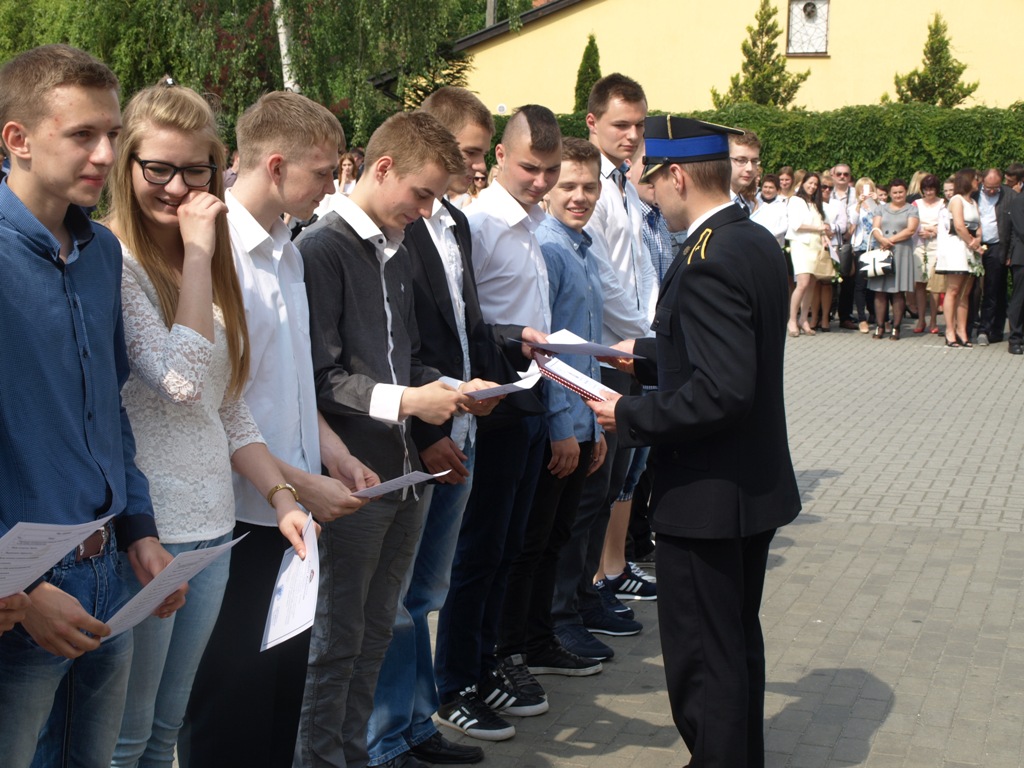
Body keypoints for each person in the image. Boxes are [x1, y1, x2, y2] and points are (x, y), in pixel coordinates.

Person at [106, 81, 313, 767]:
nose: (176, 188)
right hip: (150, 530)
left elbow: (224, 402)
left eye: (194, 170)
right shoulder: (118, 261)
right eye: (158, 169)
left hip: (212, 526)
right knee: (127, 737)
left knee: (167, 727)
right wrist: (197, 254)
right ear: (127, 164)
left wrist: (282, 497)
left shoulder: (203, 255)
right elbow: (180, 380)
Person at [588, 115, 800, 768]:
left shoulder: (709, 259)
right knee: (732, 646)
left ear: (677, 175)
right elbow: (724, 352)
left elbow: (723, 389)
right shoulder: (750, 239)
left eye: (652, 180)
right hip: (747, 487)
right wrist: (642, 354)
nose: (649, 193)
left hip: (708, 494)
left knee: (703, 661)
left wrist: (628, 414)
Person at [0, 44, 186, 768]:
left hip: (111, 571)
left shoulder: (102, 252)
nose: (107, 155)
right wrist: (21, 587)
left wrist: (139, 528)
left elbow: (107, 409)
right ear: (17, 138)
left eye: (112, 133)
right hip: (22, 595)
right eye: (83, 134)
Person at [295, 111, 496, 768]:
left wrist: (455, 387)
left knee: (377, 634)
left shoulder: (398, 245)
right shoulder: (321, 250)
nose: (427, 209)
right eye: (423, 193)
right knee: (336, 642)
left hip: (403, 475)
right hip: (350, 476)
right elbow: (319, 379)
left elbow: (402, 359)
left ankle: (356, 753)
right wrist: (412, 400)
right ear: (383, 169)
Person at [183, 90, 376, 768]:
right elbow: (213, 405)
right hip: (237, 515)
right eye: (322, 172)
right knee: (226, 709)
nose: (332, 184)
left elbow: (290, 384)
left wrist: (336, 456)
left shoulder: (288, 250)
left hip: (290, 515)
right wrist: (296, 486)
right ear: (274, 166)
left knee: (279, 700)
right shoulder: (215, 254)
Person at [366, 86, 536, 768]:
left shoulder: (456, 223)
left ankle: (417, 723)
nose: (474, 167)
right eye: (466, 152)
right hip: (420, 433)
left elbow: (464, 325)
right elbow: (396, 345)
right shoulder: (393, 227)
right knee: (397, 599)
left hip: (460, 425)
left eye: (477, 154)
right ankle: (386, 736)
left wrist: (492, 370)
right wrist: (428, 429)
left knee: (426, 594)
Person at [434, 105, 560, 742]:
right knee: (478, 552)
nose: (541, 181)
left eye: (550, 170)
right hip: (491, 403)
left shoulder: (530, 223)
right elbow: (464, 323)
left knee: (507, 548)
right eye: (530, 167)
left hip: (527, 396)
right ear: (505, 158)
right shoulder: (480, 223)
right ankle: (454, 681)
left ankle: (482, 668)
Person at [552, 74, 654, 667]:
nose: (632, 135)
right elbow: (603, 291)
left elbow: (634, 272)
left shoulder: (622, 186)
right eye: (621, 124)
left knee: (610, 485)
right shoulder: (588, 199)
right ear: (592, 123)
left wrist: (649, 340)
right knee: (591, 493)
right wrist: (642, 344)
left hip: (624, 351)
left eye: (639, 125)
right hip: (602, 357)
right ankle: (570, 605)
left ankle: (588, 594)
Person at [868, 178, 919, 340]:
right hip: (882, 251)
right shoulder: (880, 209)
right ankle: (880, 326)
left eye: (901, 192)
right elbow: (875, 227)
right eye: (895, 192)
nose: (898, 195)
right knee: (880, 291)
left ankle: (896, 327)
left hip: (901, 251)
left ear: (905, 192)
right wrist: (881, 239)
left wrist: (890, 240)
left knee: (898, 291)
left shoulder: (912, 209)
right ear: (890, 193)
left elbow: (911, 230)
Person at [937, 168, 982, 348]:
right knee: (954, 289)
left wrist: (978, 239)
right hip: (957, 247)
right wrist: (973, 243)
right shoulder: (957, 200)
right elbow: (959, 226)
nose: (978, 182)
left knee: (965, 292)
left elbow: (978, 225)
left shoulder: (973, 202)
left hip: (970, 248)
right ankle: (950, 330)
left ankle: (962, 331)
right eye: (976, 179)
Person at [785, 171, 830, 336]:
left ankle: (803, 319)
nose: (812, 186)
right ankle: (792, 319)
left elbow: (821, 225)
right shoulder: (795, 200)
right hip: (801, 244)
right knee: (802, 283)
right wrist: (819, 228)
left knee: (811, 283)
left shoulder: (815, 204)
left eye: (815, 184)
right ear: (803, 183)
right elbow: (796, 225)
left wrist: (824, 236)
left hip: (815, 245)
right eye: (810, 183)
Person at [976, 168, 1016, 345]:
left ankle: (990, 329)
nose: (992, 191)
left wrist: (1009, 252)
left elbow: (1014, 227)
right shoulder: (974, 193)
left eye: (995, 187)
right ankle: (970, 324)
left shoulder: (1009, 195)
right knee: (973, 289)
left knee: (994, 288)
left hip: (997, 246)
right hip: (975, 245)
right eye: (988, 187)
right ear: (982, 182)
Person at [911, 174, 945, 334]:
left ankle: (933, 320)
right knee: (920, 283)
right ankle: (921, 319)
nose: (929, 192)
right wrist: (924, 230)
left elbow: (945, 225)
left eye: (931, 189)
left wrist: (932, 231)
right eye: (926, 189)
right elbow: (912, 223)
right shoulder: (916, 204)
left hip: (936, 246)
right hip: (918, 245)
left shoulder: (943, 204)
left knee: (934, 285)